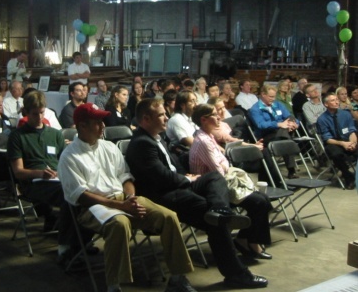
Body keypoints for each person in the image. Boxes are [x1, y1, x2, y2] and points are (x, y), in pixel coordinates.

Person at [126, 98, 269, 289]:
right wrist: (187, 179)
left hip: (176, 185)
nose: (166, 118)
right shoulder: (142, 143)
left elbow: (172, 167)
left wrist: (187, 176)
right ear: (146, 119)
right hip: (163, 195)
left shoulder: (155, 138)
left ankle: (220, 210)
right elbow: (160, 177)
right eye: (161, 115)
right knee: (215, 222)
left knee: (214, 178)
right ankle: (236, 274)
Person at [58, 103, 197, 292]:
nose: (103, 125)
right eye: (97, 122)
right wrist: (121, 206)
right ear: (82, 126)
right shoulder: (69, 156)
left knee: (169, 217)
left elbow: (126, 177)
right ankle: (114, 285)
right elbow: (81, 196)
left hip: (123, 198)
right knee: (120, 224)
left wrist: (130, 198)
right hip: (93, 207)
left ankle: (178, 278)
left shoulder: (109, 147)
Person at [190, 104, 273, 261]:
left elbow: (224, 165)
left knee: (263, 199)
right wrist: (224, 165)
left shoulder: (208, 137)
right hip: (214, 190)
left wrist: (224, 165)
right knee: (259, 202)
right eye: (214, 114)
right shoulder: (203, 141)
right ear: (204, 119)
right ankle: (251, 242)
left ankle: (245, 239)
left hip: (222, 182)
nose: (219, 117)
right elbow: (219, 172)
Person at [7, 90, 74, 260]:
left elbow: (65, 162)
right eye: (35, 114)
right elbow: (18, 172)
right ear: (26, 113)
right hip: (33, 183)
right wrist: (40, 173)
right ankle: (66, 245)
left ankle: (79, 239)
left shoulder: (55, 134)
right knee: (68, 195)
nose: (39, 117)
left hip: (56, 178)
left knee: (81, 191)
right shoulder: (17, 137)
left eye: (42, 113)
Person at [248, 84, 300, 180]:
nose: (273, 99)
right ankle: (291, 170)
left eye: (274, 96)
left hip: (283, 132)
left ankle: (291, 170)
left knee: (285, 134)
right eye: (271, 96)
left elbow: (289, 116)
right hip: (266, 135)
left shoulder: (278, 104)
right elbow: (261, 125)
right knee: (286, 138)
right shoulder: (255, 109)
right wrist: (278, 124)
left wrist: (294, 123)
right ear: (263, 94)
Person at [316, 93, 357, 189]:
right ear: (326, 104)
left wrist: (353, 143)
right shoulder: (322, 119)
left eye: (337, 100)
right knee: (336, 154)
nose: (336, 102)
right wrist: (342, 144)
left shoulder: (346, 114)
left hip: (348, 140)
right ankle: (347, 176)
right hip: (333, 142)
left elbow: (352, 131)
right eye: (333, 100)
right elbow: (327, 138)